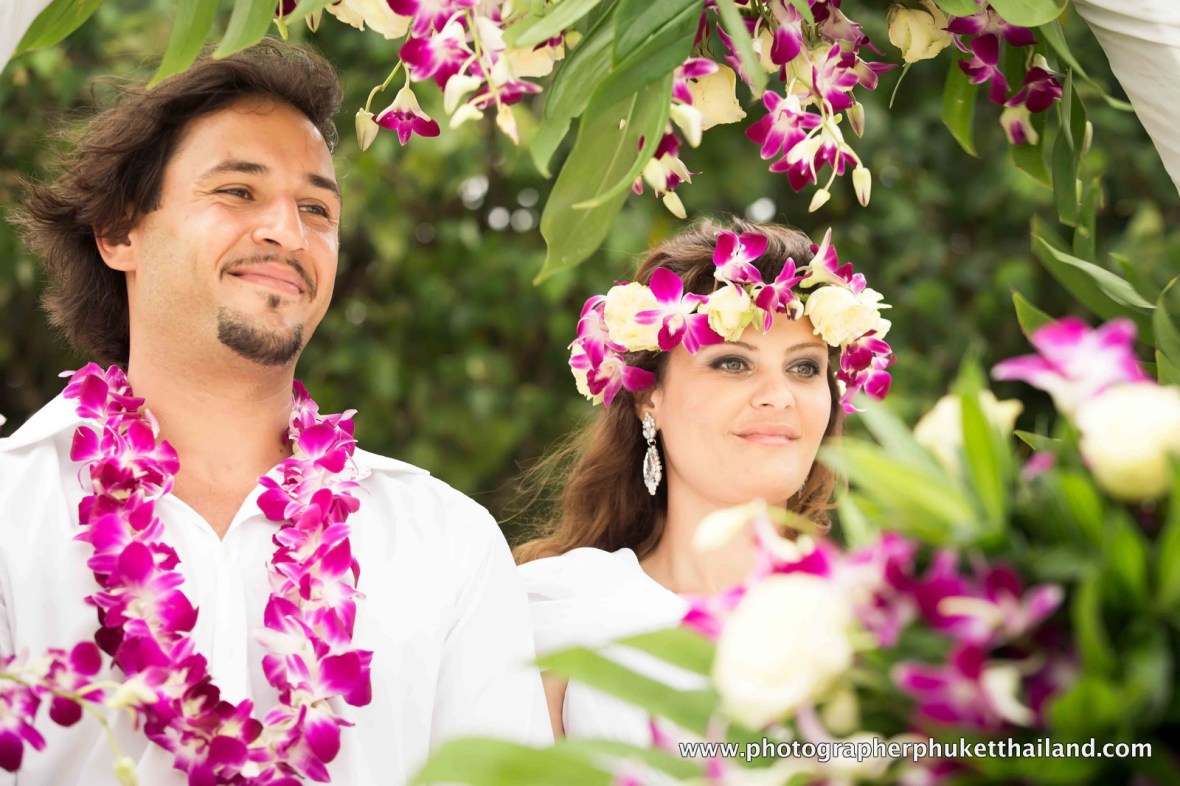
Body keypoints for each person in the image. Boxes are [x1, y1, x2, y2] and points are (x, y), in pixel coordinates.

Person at [0, 41, 549, 786]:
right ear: (119, 231)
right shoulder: (12, 511)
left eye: (316, 208)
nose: (288, 233)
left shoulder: (447, 545)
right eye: (237, 192)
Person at [516, 219, 894, 742]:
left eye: (805, 368)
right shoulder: (560, 611)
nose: (778, 396)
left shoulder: (877, 621)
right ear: (651, 396)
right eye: (733, 363)